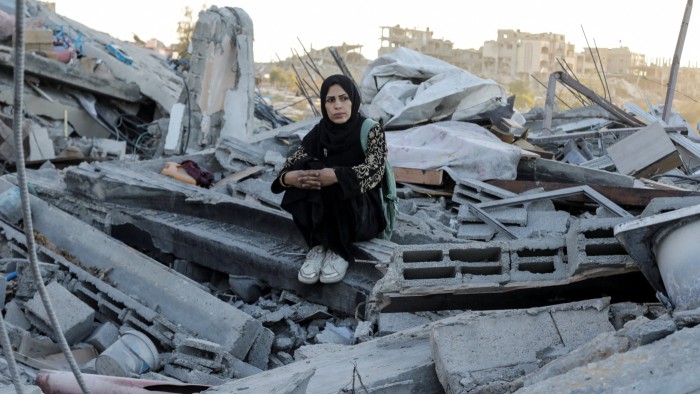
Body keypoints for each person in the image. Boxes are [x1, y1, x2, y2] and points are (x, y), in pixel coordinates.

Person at [271, 74, 388, 284]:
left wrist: (336, 175)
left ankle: (338, 250)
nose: (337, 106)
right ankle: (318, 246)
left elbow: (375, 171)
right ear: (324, 104)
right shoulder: (320, 132)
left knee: (335, 178)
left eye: (344, 98)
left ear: (353, 100)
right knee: (307, 169)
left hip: (363, 214)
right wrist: (290, 178)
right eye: (330, 100)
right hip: (329, 212)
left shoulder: (370, 130)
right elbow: (291, 162)